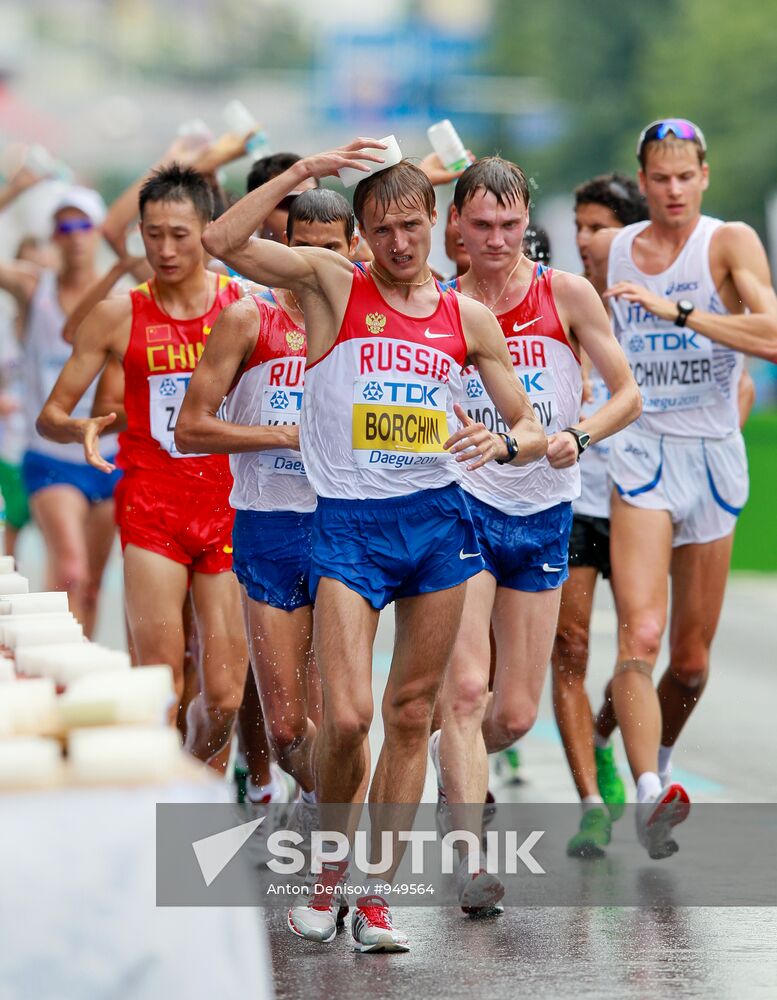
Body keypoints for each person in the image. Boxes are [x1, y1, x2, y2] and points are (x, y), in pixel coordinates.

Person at [202, 139, 546, 952]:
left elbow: (525, 423)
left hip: (435, 526)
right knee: (347, 719)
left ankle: (378, 898)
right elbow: (223, 244)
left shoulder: (467, 316)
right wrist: (299, 176)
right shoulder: (331, 286)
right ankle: (327, 876)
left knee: (409, 715)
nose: (398, 243)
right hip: (348, 526)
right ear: (361, 234)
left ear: (437, 227)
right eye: (382, 230)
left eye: (411, 227)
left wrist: (508, 444)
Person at [429, 156, 640, 909]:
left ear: (528, 221)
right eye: (480, 225)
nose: (496, 240)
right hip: (461, 505)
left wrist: (578, 436)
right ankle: (468, 855)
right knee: (463, 688)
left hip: (544, 508)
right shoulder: (438, 304)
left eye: (510, 225)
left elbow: (626, 394)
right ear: (454, 224)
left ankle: (444, 759)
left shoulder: (566, 294)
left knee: (512, 713)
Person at [586, 119, 777, 859]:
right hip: (639, 451)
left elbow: (771, 333)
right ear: (641, 182)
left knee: (690, 663)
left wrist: (683, 313)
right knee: (639, 632)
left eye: (683, 177)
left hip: (712, 453)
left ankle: (636, 749)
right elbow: (580, 332)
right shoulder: (611, 250)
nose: (671, 191)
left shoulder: (725, 243)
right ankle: (642, 790)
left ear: (703, 175)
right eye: (657, 179)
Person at [36, 163, 248, 767]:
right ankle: (176, 809)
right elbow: (49, 413)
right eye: (152, 234)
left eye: (180, 234)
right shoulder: (117, 315)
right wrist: (82, 426)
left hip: (230, 506)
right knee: (161, 684)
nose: (165, 249)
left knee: (226, 694)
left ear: (209, 231)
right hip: (152, 503)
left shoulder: (244, 306)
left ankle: (198, 778)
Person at [176, 188, 359, 805]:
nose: (312, 263)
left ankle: (349, 845)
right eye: (300, 248)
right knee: (286, 729)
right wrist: (281, 433)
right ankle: (329, 806)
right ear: (282, 246)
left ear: (352, 249)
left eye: (328, 250)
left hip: (348, 527)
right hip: (269, 525)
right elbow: (191, 427)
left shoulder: (370, 318)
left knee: (345, 716)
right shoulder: (247, 319)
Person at [551, 173, 649, 857]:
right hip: (573, 498)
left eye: (598, 227)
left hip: (644, 495)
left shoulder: (648, 299)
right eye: (579, 227)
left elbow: (730, 384)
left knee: (641, 649)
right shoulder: (554, 299)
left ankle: (606, 737)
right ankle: (589, 801)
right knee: (570, 650)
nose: (584, 240)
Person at [0, 174, 120, 635]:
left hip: (109, 456)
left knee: (90, 586)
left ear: (97, 232)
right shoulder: (35, 291)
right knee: (70, 572)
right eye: (63, 229)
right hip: (50, 454)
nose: (73, 239)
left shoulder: (117, 300)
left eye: (82, 227)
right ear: (54, 236)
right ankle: (57, 670)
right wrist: (13, 190)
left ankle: (78, 672)